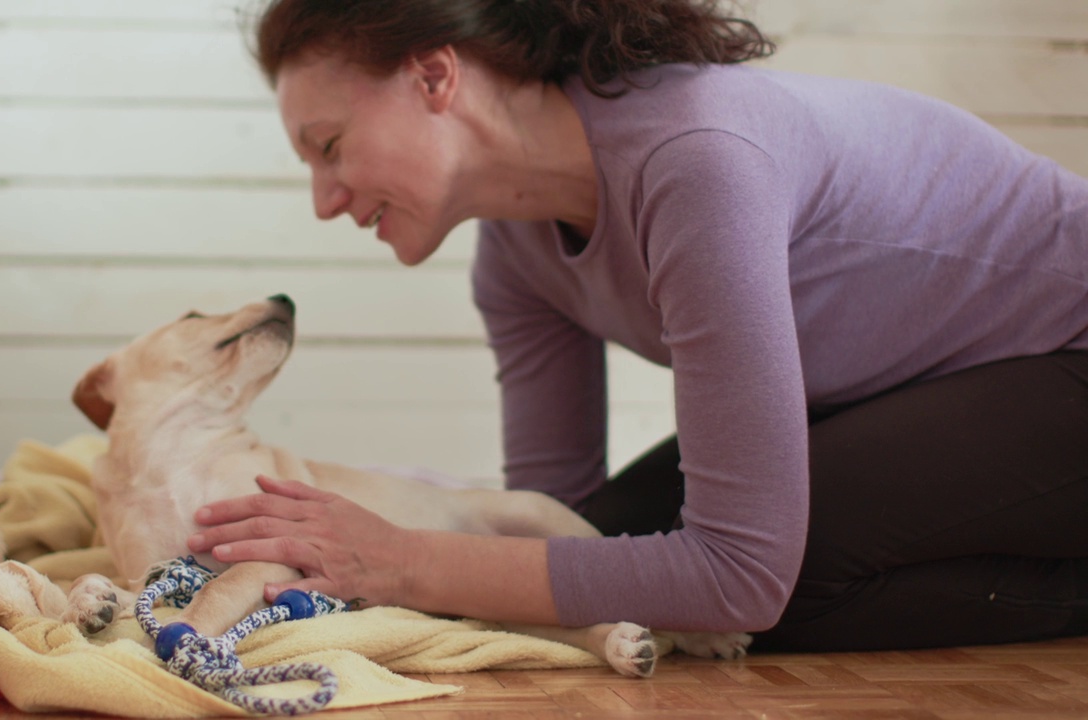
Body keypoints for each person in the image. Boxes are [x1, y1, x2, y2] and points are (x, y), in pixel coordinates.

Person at [186, 0, 1088, 652]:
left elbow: (739, 571)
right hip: (928, 386)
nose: (323, 200)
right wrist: (328, 556)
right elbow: (554, 522)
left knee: (740, 598)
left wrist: (403, 563)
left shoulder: (697, 162)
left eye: (329, 145)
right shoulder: (515, 258)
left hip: (1066, 355)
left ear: (433, 74)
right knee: (612, 550)